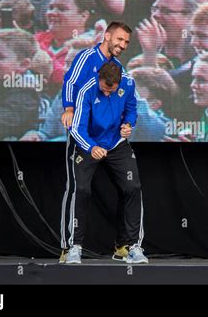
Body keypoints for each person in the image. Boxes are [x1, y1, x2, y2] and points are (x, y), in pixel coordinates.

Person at [59, 21, 132, 264]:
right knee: (76, 188)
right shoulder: (87, 57)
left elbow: (124, 101)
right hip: (82, 132)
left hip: (108, 139)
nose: (122, 45)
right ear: (107, 36)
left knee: (128, 187)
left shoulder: (118, 68)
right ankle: (68, 247)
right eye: (119, 39)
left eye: (126, 42)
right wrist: (69, 107)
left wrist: (125, 122)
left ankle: (123, 245)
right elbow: (70, 81)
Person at [65, 61, 147, 265]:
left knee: (132, 187)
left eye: (112, 90)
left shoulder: (128, 83)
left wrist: (128, 124)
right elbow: (76, 127)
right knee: (81, 190)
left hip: (117, 143)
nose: (108, 93)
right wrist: (91, 147)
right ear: (99, 79)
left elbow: (131, 109)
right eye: (104, 89)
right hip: (88, 143)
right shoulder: (87, 90)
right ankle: (74, 247)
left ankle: (128, 247)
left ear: (119, 83)